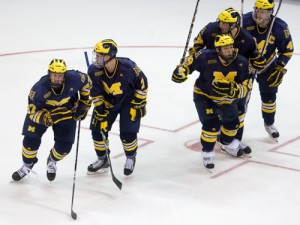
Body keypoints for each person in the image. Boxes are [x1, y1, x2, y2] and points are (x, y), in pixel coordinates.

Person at [189, 7, 266, 155]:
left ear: (234, 24)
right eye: (221, 22)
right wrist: (192, 58)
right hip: (214, 76)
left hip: (237, 81)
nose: (222, 26)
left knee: (240, 112)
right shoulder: (211, 28)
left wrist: (258, 62)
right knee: (216, 111)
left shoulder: (246, 39)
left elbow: (255, 59)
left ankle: (232, 140)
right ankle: (225, 140)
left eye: (226, 23)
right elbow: (198, 44)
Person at [172, 34, 251, 169]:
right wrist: (181, 71)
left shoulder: (242, 62)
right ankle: (207, 152)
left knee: (233, 125)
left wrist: (234, 90)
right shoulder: (205, 56)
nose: (229, 50)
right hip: (204, 96)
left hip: (227, 99)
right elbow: (188, 62)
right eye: (225, 48)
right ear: (218, 50)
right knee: (211, 125)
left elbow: (247, 87)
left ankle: (225, 143)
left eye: (230, 47)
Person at [12, 59, 92, 182]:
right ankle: (27, 166)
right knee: (30, 142)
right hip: (42, 112)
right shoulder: (38, 89)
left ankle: (52, 161)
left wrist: (84, 101)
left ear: (64, 75)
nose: (57, 78)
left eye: (60, 75)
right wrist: (47, 118)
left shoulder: (75, 78)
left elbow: (87, 82)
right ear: (49, 74)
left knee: (64, 148)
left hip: (66, 111)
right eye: (54, 75)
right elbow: (31, 111)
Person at [87, 39, 148, 176]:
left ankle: (131, 157)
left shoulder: (128, 67)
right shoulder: (93, 70)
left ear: (109, 56)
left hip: (128, 101)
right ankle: (103, 159)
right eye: (96, 54)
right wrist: (100, 108)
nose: (96, 58)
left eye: (99, 55)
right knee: (97, 131)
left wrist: (138, 103)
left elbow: (143, 85)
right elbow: (95, 92)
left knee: (128, 134)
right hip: (108, 103)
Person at [243, 0, 294, 140]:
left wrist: (279, 65)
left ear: (271, 12)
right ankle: (233, 126)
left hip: (268, 65)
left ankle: (269, 124)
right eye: (258, 10)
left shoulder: (280, 27)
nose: (259, 14)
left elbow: (287, 50)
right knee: (240, 98)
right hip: (247, 64)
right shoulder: (244, 21)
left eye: (263, 11)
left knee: (269, 98)